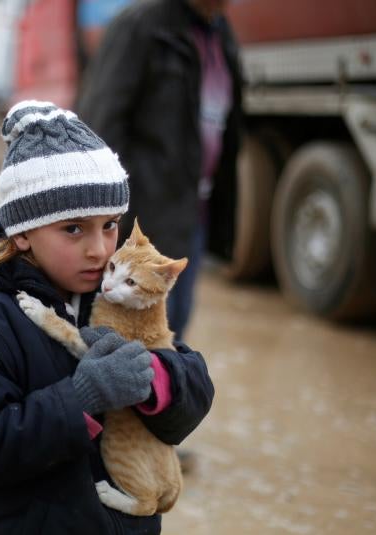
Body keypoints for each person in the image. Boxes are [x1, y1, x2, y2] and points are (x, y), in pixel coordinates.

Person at [0, 101, 214, 534]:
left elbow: (193, 391)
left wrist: (153, 378)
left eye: (110, 225)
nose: (100, 250)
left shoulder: (121, 297)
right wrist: (84, 396)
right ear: (22, 232)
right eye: (73, 229)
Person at [77, 0, 243, 341]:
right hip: (142, 222)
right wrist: (107, 226)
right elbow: (100, 127)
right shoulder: (141, 27)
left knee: (170, 330)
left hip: (192, 218)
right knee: (120, 342)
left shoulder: (221, 36)